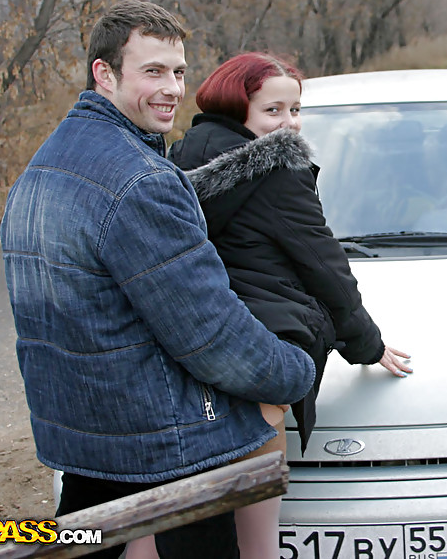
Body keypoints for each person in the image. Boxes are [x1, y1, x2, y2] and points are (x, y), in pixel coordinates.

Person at [0, 1, 316, 559]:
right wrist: (295, 373)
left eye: (178, 71)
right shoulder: (140, 181)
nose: (171, 88)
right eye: (152, 71)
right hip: (166, 454)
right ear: (104, 73)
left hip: (83, 438)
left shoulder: (43, 165)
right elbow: (211, 336)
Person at [154, 51, 412, 559]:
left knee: (165, 517)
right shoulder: (277, 167)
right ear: (238, 107)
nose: (289, 125)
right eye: (274, 111)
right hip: (267, 337)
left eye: (295, 111)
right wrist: (367, 341)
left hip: (194, 337)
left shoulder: (177, 157)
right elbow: (323, 261)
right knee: (259, 487)